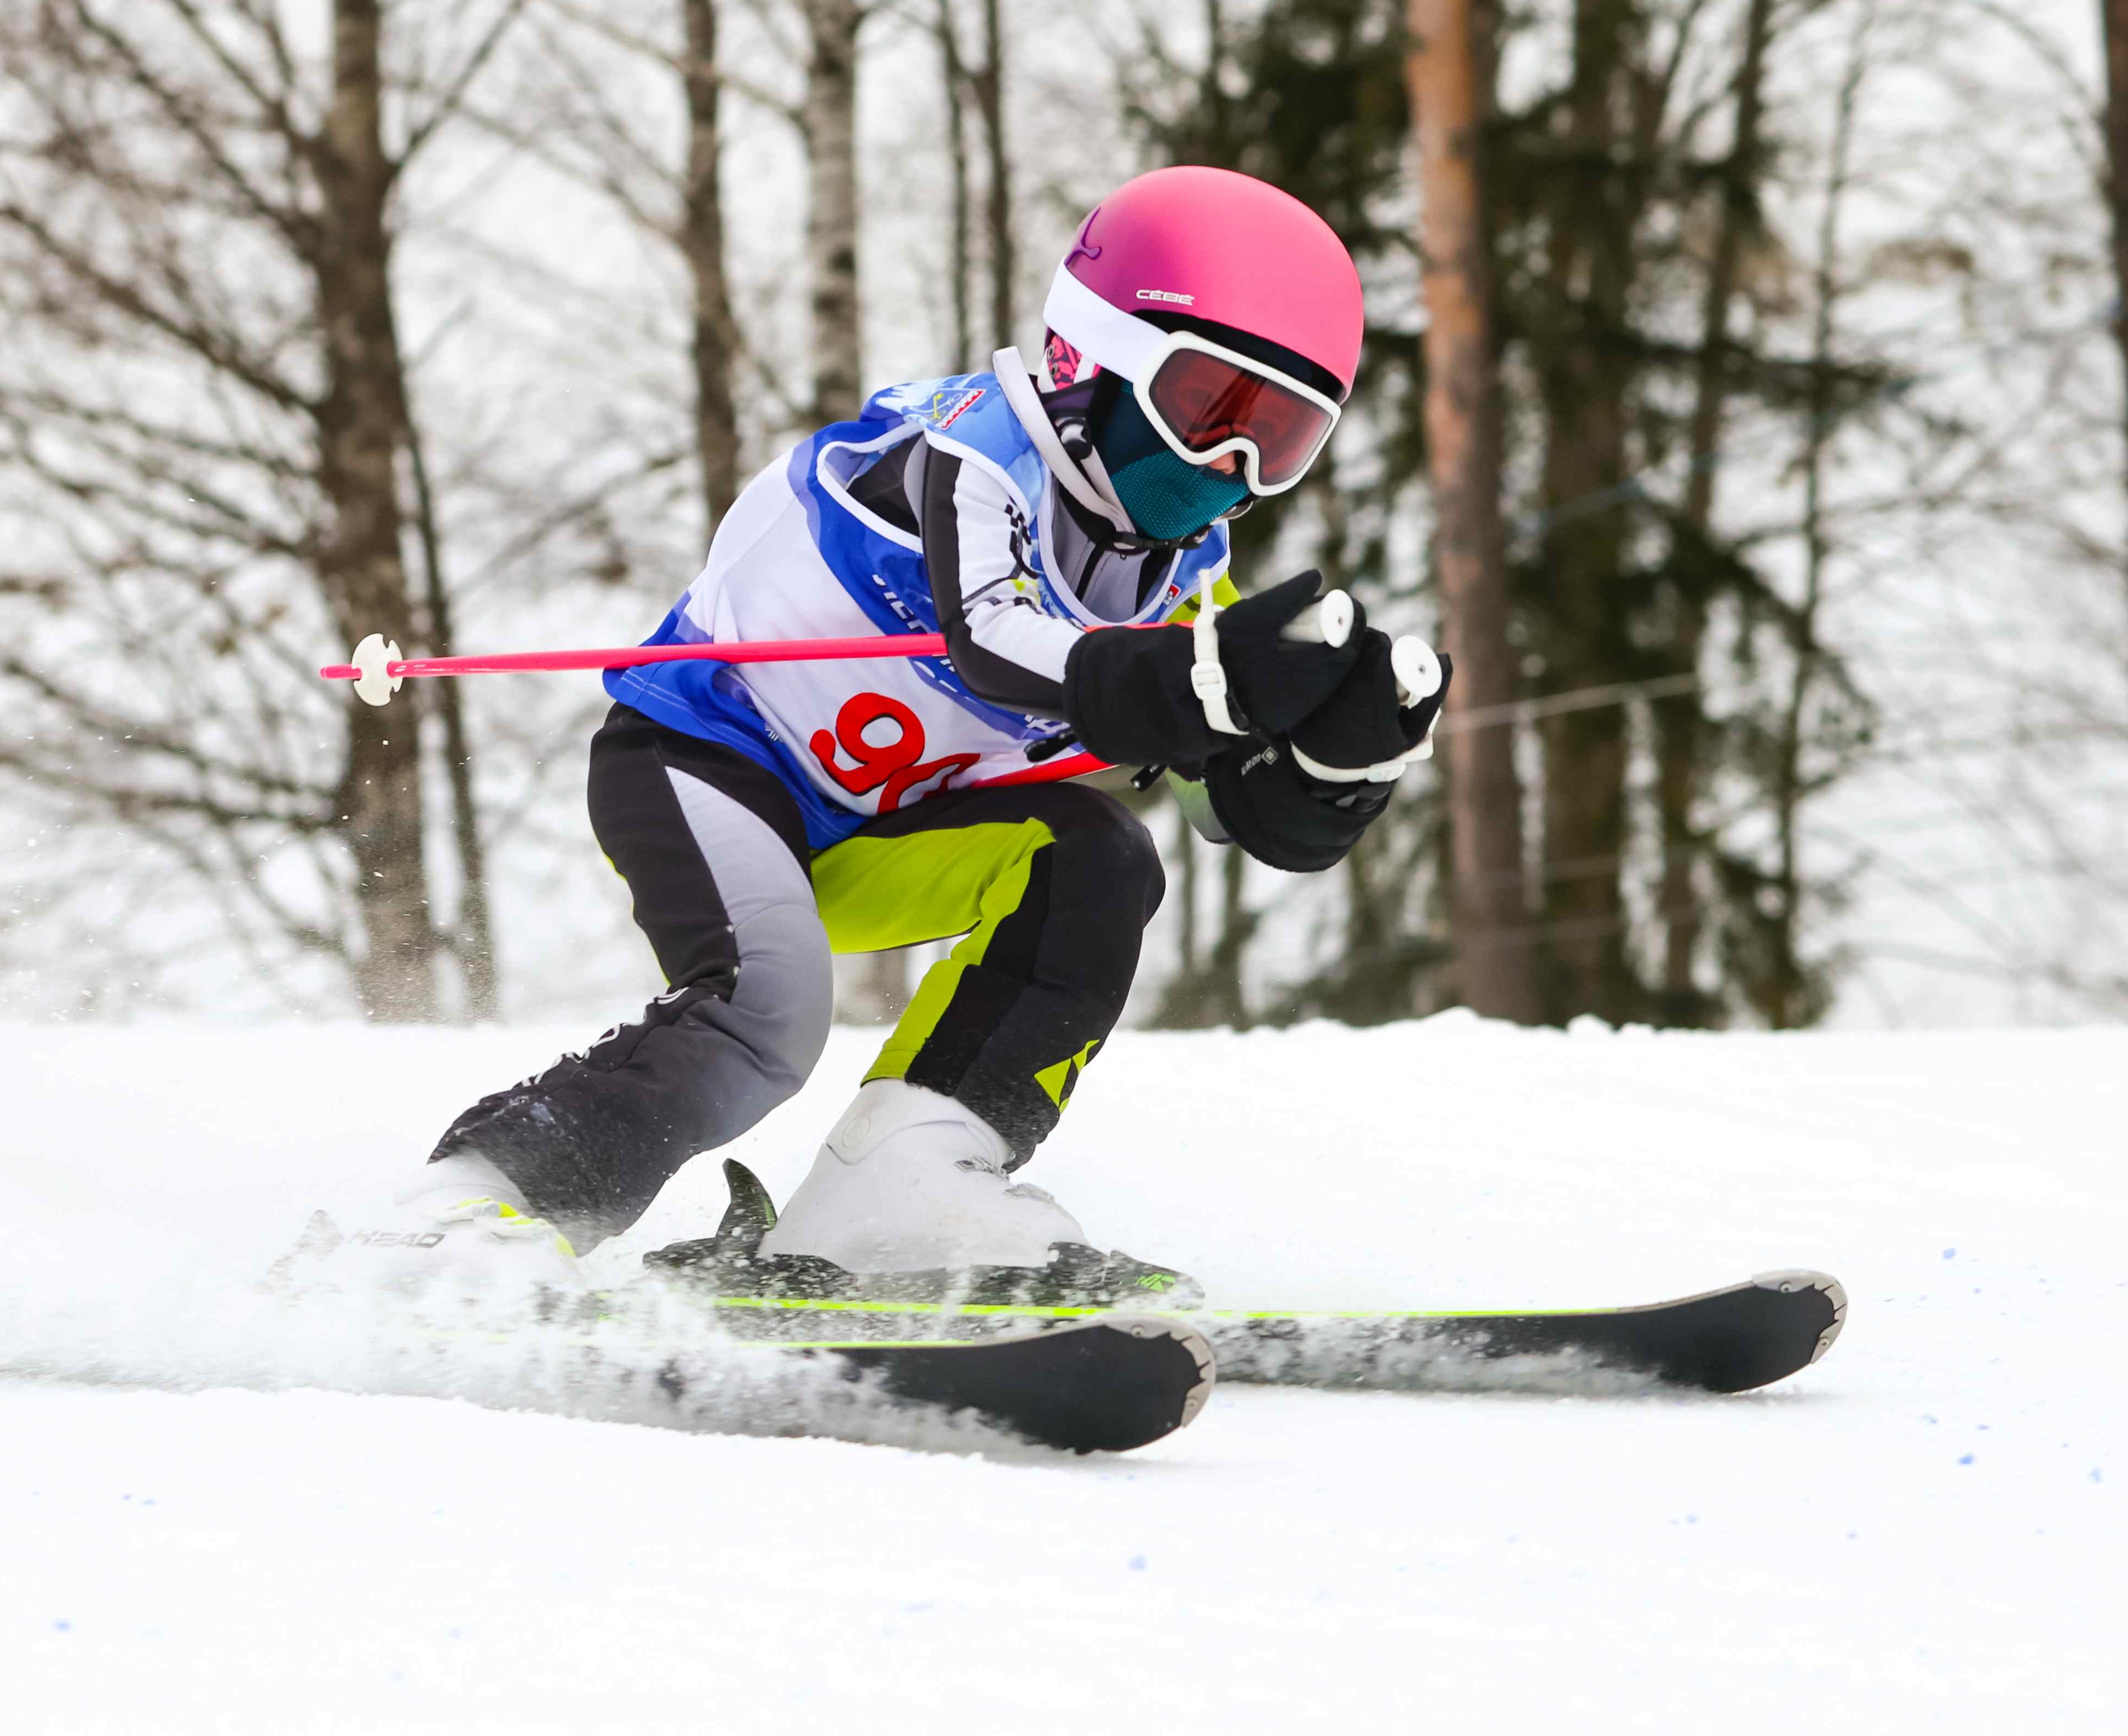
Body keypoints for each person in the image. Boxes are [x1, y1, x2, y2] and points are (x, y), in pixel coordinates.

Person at [361, 166, 1444, 1305]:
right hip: (712, 762)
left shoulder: (1178, 572)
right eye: (1207, 410)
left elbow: (1216, 799)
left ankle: (896, 1188)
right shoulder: (971, 453)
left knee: (1098, 863)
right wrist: (1204, 681)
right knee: (763, 1018)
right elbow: (996, 641)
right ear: (1094, 354)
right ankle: (464, 1213)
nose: (1231, 470)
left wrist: (1325, 771)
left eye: (1280, 439)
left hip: (883, 829)